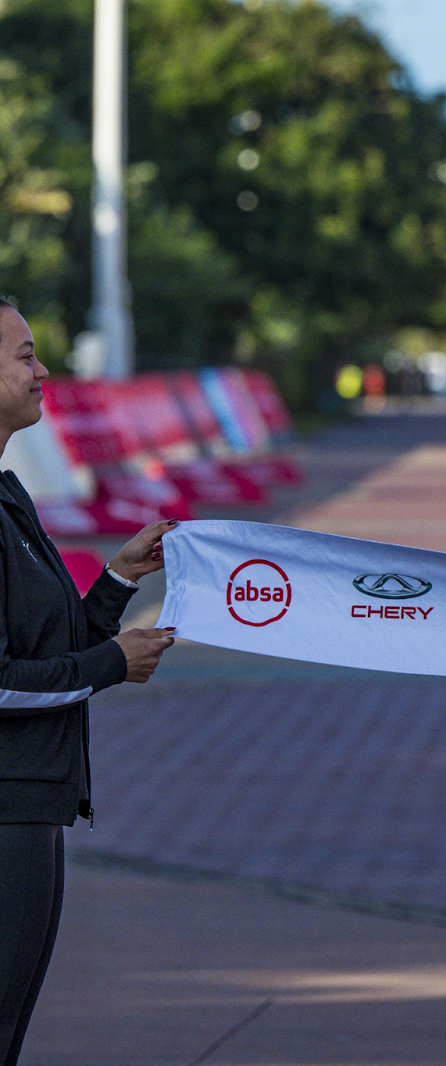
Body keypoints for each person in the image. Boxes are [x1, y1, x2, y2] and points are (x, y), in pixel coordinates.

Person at [0, 296, 176, 1066]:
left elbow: (47, 643)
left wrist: (117, 579)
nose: (43, 371)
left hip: (31, 803)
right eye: (24, 357)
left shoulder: (8, 494)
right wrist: (112, 664)